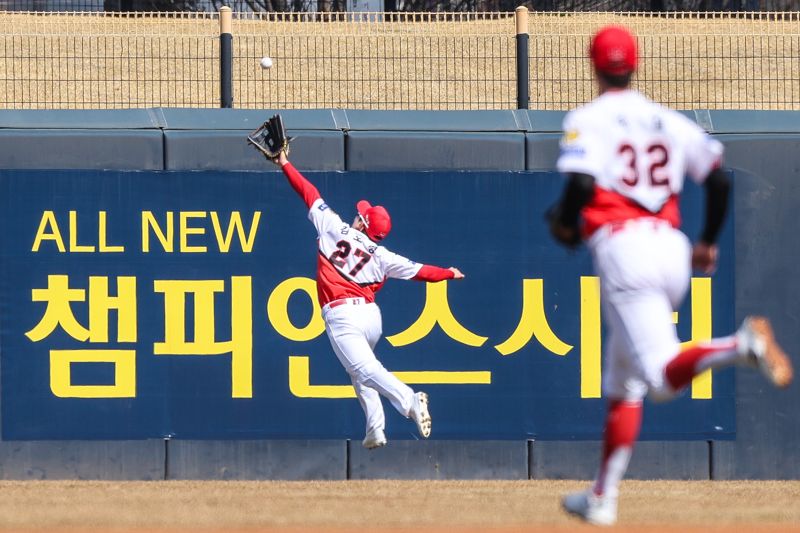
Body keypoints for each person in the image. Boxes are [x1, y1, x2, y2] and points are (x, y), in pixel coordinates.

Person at [547, 25, 794, 526]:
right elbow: (719, 178)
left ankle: (741, 344)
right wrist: (706, 241)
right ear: (634, 64)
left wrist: (565, 223)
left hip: (624, 247)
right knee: (624, 384)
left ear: (593, 66)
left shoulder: (587, 118)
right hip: (671, 247)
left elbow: (579, 182)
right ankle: (602, 497)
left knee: (659, 379)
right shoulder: (667, 119)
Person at [269, 149, 465, 450]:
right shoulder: (383, 255)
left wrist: (284, 163)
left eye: (360, 215)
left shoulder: (335, 227)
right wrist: (449, 273)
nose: (356, 215)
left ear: (361, 223)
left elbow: (308, 192)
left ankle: (409, 399)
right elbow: (421, 272)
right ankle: (375, 428)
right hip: (372, 317)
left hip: (342, 315)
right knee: (359, 370)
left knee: (362, 369)